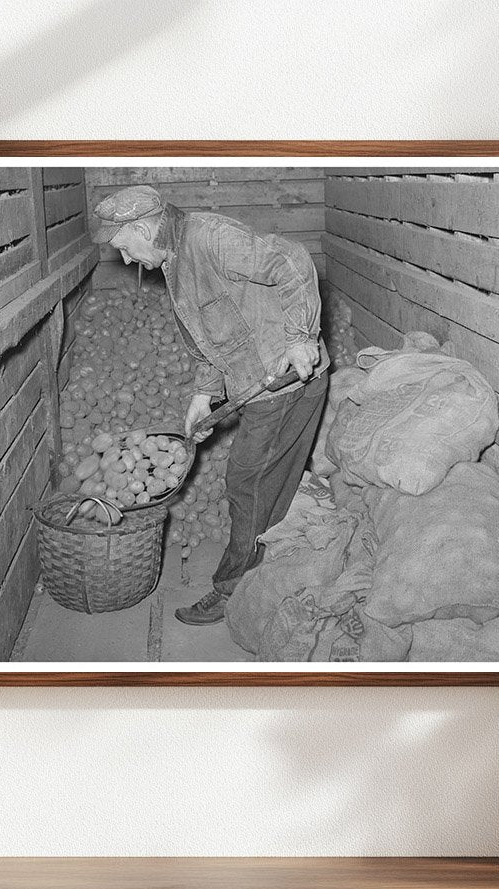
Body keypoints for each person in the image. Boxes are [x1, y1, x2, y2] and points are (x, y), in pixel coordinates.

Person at [91, 184, 329, 625]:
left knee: (246, 482)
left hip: (286, 383)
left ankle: (231, 590)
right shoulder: (174, 263)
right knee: (263, 485)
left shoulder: (209, 238)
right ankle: (276, 564)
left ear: (144, 228)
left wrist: (299, 338)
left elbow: (291, 261)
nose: (125, 261)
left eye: (125, 248)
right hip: (253, 384)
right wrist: (204, 395)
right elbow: (209, 339)